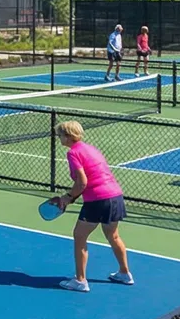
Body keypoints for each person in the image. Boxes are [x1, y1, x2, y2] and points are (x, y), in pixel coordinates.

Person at [52, 120, 134, 292]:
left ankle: (80, 281)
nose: (58, 137)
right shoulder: (91, 149)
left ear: (68, 136)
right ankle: (124, 273)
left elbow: (82, 182)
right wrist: (71, 198)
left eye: (60, 135)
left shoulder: (73, 153)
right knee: (113, 236)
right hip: (115, 196)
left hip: (98, 200)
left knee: (79, 236)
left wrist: (67, 197)